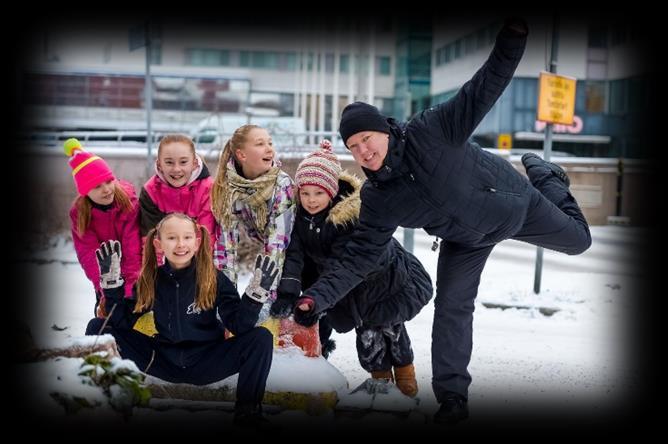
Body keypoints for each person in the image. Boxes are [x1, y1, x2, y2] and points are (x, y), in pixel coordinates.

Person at [298, 18, 592, 424]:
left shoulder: (432, 129)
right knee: (453, 307)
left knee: (580, 240)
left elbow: (484, 87)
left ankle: (547, 176)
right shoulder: (378, 198)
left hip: (516, 206)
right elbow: (357, 258)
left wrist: (513, 38)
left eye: (366, 138)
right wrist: (317, 299)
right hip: (462, 241)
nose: (363, 150)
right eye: (354, 146)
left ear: (384, 129)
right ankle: (453, 400)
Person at [271, 140, 433, 397]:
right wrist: (290, 292)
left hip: (382, 280)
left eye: (319, 193)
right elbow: (295, 255)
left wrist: (317, 300)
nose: (311, 201)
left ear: (333, 192)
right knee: (366, 335)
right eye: (305, 193)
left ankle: (405, 371)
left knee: (390, 327)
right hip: (347, 286)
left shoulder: (348, 220)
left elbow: (341, 265)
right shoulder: (301, 219)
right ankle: (380, 380)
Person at [85, 213, 277, 427]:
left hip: (207, 361)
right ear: (159, 243)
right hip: (161, 359)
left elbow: (239, 327)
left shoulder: (213, 278)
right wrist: (112, 286)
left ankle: (248, 414)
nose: (180, 244)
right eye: (172, 238)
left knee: (261, 338)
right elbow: (120, 323)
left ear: (196, 243)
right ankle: (100, 400)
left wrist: (254, 296)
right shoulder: (151, 279)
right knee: (97, 327)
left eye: (186, 237)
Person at [211, 124, 296, 326]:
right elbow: (225, 247)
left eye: (270, 143)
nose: (269, 149)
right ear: (241, 155)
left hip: (295, 249)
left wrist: (264, 294)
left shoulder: (281, 184)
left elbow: (277, 244)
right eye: (260, 144)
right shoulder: (227, 187)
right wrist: (225, 298)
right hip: (266, 242)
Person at [65, 138, 141, 317]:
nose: (106, 189)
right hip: (106, 277)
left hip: (134, 275)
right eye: (97, 186)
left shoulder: (129, 204)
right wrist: (104, 288)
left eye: (108, 181)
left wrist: (131, 286)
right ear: (85, 192)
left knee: (135, 320)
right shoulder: (80, 214)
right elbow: (88, 253)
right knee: (108, 319)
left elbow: (133, 246)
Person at [139, 133, 216, 241]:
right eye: (169, 162)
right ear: (159, 165)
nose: (176, 169)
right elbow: (150, 239)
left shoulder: (208, 189)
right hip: (163, 255)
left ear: (194, 164)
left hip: (198, 254)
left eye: (183, 162)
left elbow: (206, 237)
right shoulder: (150, 192)